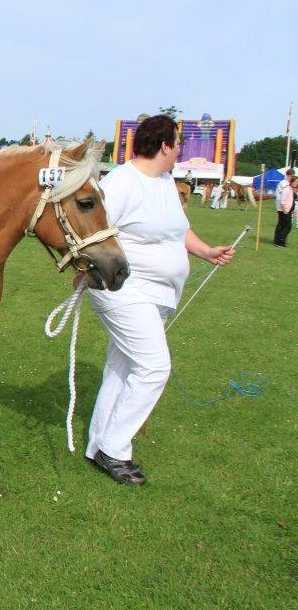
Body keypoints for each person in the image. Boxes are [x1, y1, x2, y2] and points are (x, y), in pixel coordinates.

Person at [84, 114, 236, 485]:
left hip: (159, 294)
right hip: (123, 289)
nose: (181, 149)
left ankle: (97, 445)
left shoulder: (167, 182)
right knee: (154, 367)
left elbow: (178, 229)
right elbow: (93, 233)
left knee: (123, 369)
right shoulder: (121, 182)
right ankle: (115, 450)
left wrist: (206, 251)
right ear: (164, 145)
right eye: (178, 142)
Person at [274, 171, 297, 248]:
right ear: (287, 175)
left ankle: (279, 240)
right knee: (287, 226)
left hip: (287, 208)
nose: (291, 177)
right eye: (291, 176)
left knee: (282, 225)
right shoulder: (284, 184)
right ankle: (280, 239)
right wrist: (285, 209)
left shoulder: (290, 187)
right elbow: (283, 198)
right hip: (283, 208)